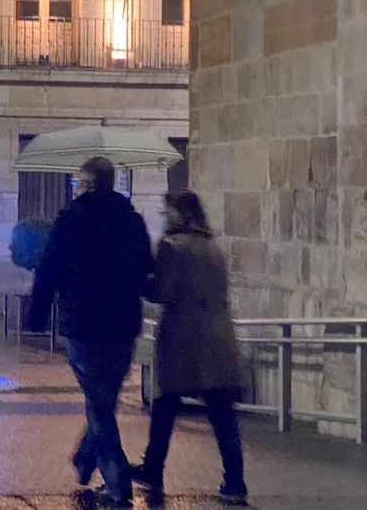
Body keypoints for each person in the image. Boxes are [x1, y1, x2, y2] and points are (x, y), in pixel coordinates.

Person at [31, 156, 153, 507]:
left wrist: (38, 315)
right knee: (103, 400)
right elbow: (146, 267)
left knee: (100, 406)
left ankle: (117, 485)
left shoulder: (72, 219)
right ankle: (86, 459)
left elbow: (49, 266)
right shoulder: (132, 221)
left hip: (84, 323)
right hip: (123, 324)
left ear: (85, 184)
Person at [131, 190, 248, 504]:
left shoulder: (172, 246)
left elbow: (160, 292)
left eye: (167, 211)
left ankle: (153, 469)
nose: (164, 216)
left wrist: (140, 279)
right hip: (219, 339)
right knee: (223, 415)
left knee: (166, 406)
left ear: (178, 213)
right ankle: (235, 481)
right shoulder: (214, 247)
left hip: (184, 340)